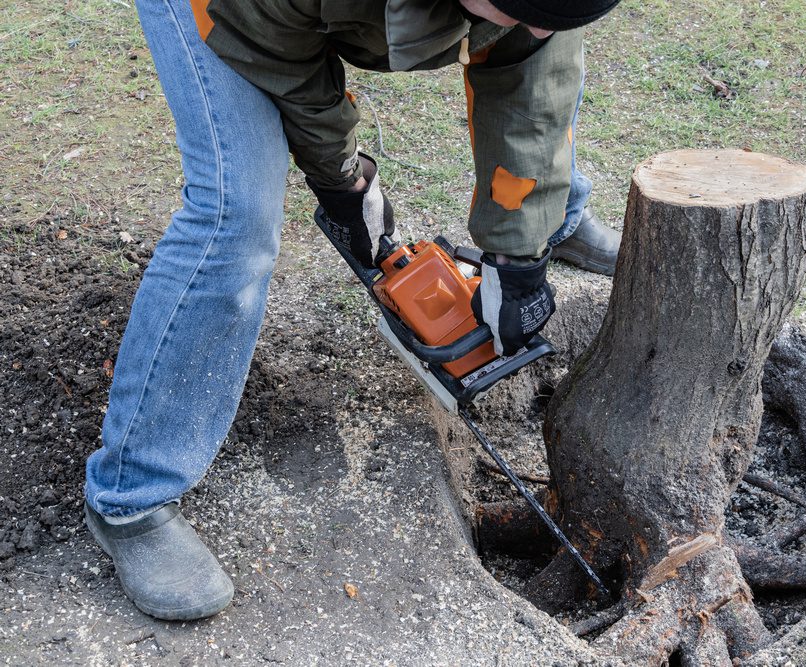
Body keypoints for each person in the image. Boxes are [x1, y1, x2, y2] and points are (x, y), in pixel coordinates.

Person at [84, 0, 621, 621]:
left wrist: (518, 252)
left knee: (536, 60)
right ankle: (131, 494)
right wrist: (343, 183)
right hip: (234, 11)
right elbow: (286, 63)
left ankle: (560, 214)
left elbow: (535, 74)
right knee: (236, 219)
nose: (542, 23)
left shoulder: (544, 10)